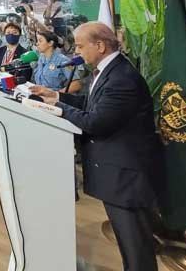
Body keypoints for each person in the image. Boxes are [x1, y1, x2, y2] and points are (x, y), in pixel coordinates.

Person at [30, 22, 165, 271]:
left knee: (136, 250)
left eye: (80, 46)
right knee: (129, 245)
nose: (77, 52)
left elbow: (96, 121)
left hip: (126, 178)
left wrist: (56, 108)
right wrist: (56, 96)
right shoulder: (109, 70)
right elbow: (92, 104)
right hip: (118, 175)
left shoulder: (121, 78)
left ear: (100, 45)